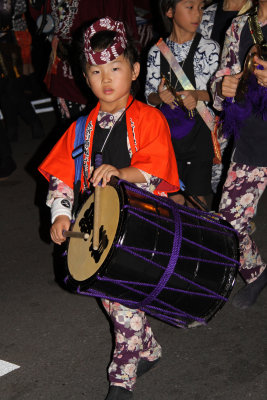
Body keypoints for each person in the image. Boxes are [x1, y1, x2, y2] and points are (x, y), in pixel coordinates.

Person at [38, 17, 180, 399]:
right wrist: (62, 214)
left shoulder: (149, 119)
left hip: (143, 229)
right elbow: (62, 178)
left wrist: (122, 172)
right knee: (115, 300)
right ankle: (147, 348)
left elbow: (156, 171)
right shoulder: (80, 128)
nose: (106, 78)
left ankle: (122, 380)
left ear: (134, 71)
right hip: (97, 230)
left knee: (121, 304)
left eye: (115, 68)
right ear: (86, 78)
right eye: (96, 71)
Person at [210, 1, 267, 309]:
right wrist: (224, 85)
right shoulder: (238, 26)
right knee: (230, 221)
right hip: (253, 141)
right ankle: (256, 273)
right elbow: (221, 78)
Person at [145, 0, 220, 207]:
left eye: (201, 8)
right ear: (170, 11)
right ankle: (178, 238)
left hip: (200, 134)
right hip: (167, 137)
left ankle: (200, 238)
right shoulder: (155, 52)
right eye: (190, 7)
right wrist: (161, 97)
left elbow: (220, 94)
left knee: (198, 198)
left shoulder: (211, 48)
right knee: (174, 198)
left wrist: (197, 95)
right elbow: (148, 96)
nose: (198, 14)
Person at [29, 0, 138, 124]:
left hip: (101, 64)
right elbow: (41, 15)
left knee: (109, 118)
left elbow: (115, 25)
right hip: (64, 64)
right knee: (74, 127)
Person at [199, 0, 252, 198]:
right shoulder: (206, 13)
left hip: (250, 122)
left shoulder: (255, 16)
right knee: (213, 185)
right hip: (210, 110)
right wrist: (219, 88)